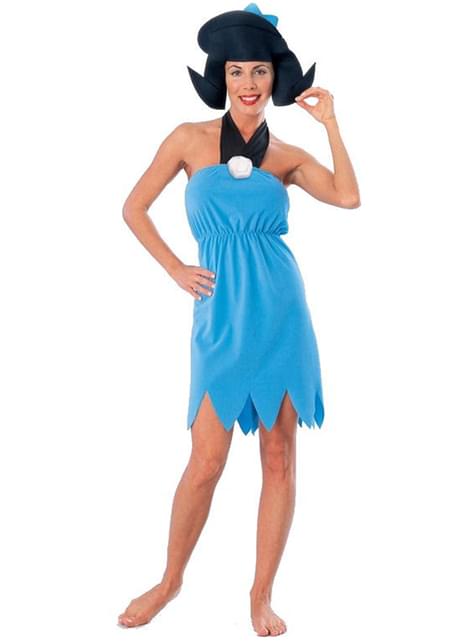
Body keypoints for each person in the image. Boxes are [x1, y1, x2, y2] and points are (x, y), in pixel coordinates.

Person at [118, 3, 360, 635]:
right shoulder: (188, 139)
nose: (248, 83)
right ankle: (170, 581)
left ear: (274, 78)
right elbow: (134, 207)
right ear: (221, 77)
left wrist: (331, 123)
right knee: (206, 460)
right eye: (236, 71)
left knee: (279, 456)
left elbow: (348, 196)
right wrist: (176, 268)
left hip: (281, 314)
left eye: (259, 71)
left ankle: (260, 595)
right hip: (220, 314)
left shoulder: (287, 155)